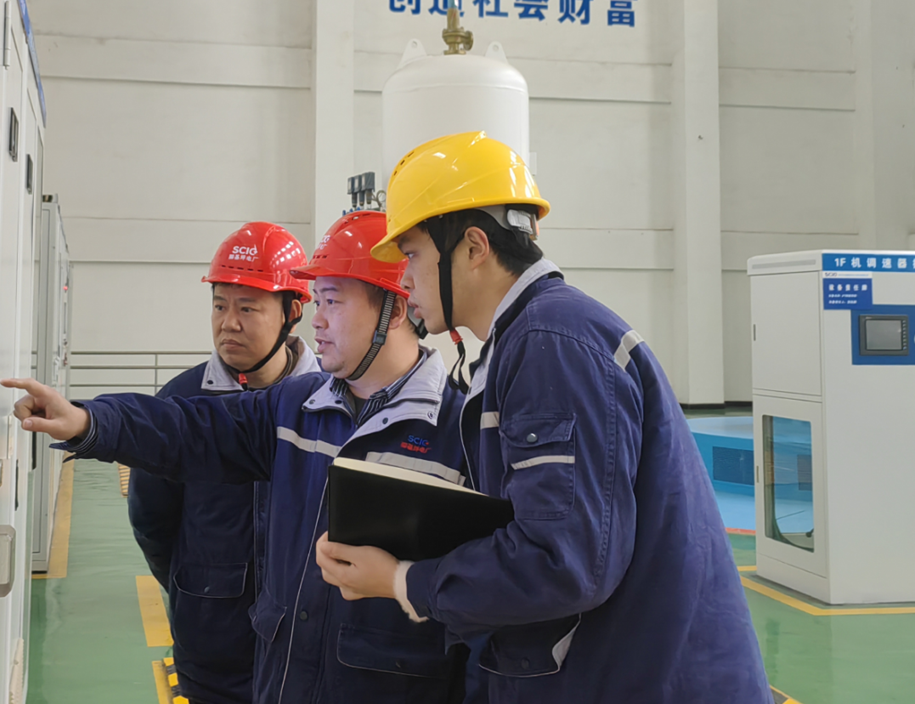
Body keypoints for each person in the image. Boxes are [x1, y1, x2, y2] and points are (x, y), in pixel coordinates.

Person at [314, 131, 772, 703]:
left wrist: (403, 580)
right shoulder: (533, 339)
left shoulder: (550, 343)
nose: (403, 279)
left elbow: (565, 562)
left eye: (412, 255)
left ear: (473, 247)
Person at [3, 211, 470, 704]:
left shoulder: (461, 434)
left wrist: (400, 581)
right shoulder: (297, 407)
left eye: (333, 300)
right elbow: (188, 428)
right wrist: (88, 420)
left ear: (394, 312)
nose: (318, 319)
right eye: (318, 300)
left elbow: (486, 595)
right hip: (281, 680)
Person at [127, 221, 320, 704]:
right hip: (212, 652)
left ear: (292, 312)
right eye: (219, 305)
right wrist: (197, 589)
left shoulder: (327, 405)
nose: (228, 323)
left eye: (247, 308)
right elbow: (153, 522)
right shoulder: (182, 402)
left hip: (306, 653)